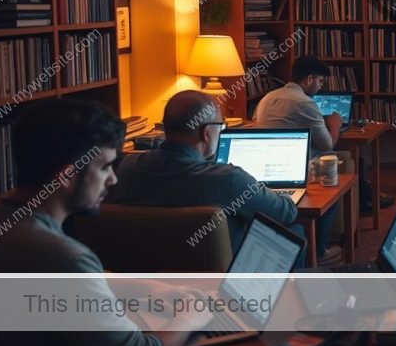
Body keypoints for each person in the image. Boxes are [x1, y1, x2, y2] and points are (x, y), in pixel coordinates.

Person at [0, 99, 211, 346]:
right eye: (105, 167)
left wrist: (149, 288)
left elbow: (72, 282)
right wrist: (189, 317)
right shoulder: (62, 257)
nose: (113, 180)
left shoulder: (0, 217)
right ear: (67, 175)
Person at [108, 91, 317, 262]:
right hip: (221, 280)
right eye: (221, 126)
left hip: (147, 278)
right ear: (207, 133)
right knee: (295, 230)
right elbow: (285, 213)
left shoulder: (127, 167)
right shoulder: (229, 179)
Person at [254, 55, 393, 214]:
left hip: (265, 165)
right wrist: (335, 125)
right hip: (295, 165)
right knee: (346, 158)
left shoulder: (267, 98)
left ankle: (363, 199)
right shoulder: (304, 102)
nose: (320, 86)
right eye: (320, 81)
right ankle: (361, 204)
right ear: (309, 79)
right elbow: (327, 144)